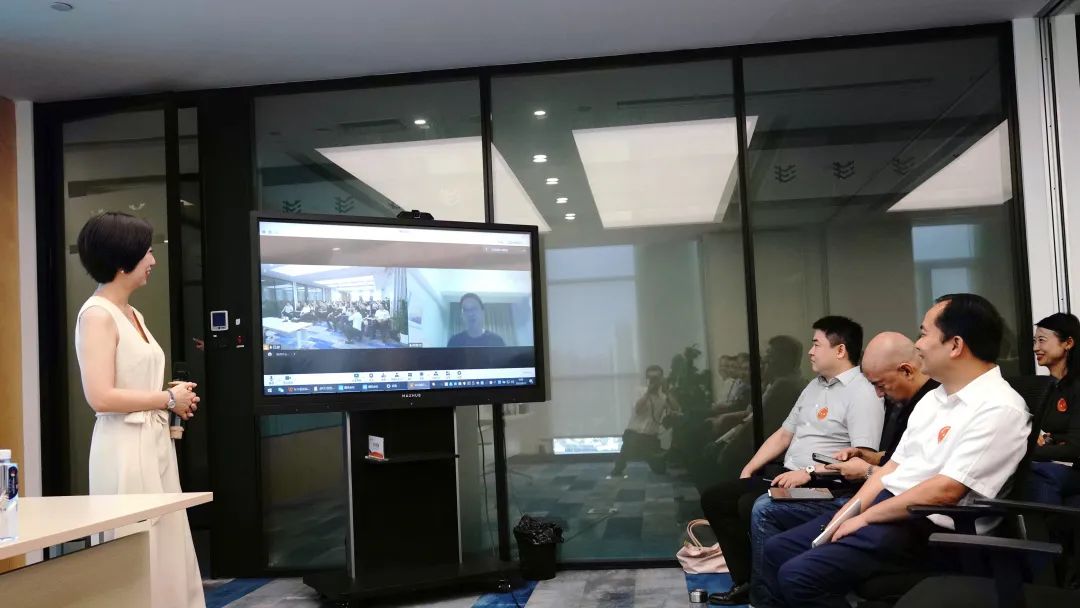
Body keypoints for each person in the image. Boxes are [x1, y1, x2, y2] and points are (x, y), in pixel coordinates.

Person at [760, 294, 1031, 608]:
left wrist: (865, 518)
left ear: (955, 345)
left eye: (924, 334)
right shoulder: (935, 399)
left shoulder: (999, 408)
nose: (918, 344)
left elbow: (945, 491)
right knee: (777, 550)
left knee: (799, 577)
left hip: (928, 527)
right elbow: (890, 469)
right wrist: (846, 515)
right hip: (890, 510)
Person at [701, 316, 884, 605]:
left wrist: (810, 472)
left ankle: (767, 598)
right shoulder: (814, 387)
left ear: (840, 350)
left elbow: (861, 458)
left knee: (754, 505)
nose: (810, 352)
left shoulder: (862, 392)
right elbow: (784, 434)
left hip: (828, 486)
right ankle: (748, 581)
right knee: (716, 498)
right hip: (790, 475)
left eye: (816, 344)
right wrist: (750, 467)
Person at [746, 332, 939, 607]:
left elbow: (925, 482)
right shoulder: (922, 403)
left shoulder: (935, 404)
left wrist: (857, 492)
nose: (879, 394)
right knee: (775, 543)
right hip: (873, 497)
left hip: (891, 508)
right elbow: (894, 461)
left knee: (781, 543)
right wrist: (865, 459)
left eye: (926, 334)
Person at [73, 212, 205, 608]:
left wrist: (170, 396)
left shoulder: (133, 313)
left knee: (166, 543)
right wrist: (167, 399)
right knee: (136, 549)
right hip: (124, 448)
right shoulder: (96, 315)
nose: (153, 260)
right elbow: (100, 396)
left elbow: (136, 383)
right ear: (122, 259)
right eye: (147, 252)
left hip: (152, 442)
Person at [1027, 313, 1080, 504]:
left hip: (1073, 468)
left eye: (1042, 340)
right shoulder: (1048, 387)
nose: (1036, 348)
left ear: (1068, 343)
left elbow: (1075, 447)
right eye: (1034, 341)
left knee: (1040, 474)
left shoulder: (1077, 386)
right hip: (1061, 465)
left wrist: (1027, 450)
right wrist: (1051, 440)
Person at [608, 365, 678, 478]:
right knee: (627, 448)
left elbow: (676, 408)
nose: (653, 381)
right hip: (634, 433)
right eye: (651, 378)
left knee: (660, 470)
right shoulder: (639, 391)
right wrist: (648, 393)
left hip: (650, 437)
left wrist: (667, 392)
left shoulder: (663, 396)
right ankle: (618, 467)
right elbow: (638, 409)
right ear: (646, 378)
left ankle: (653, 458)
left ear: (661, 379)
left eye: (656, 378)